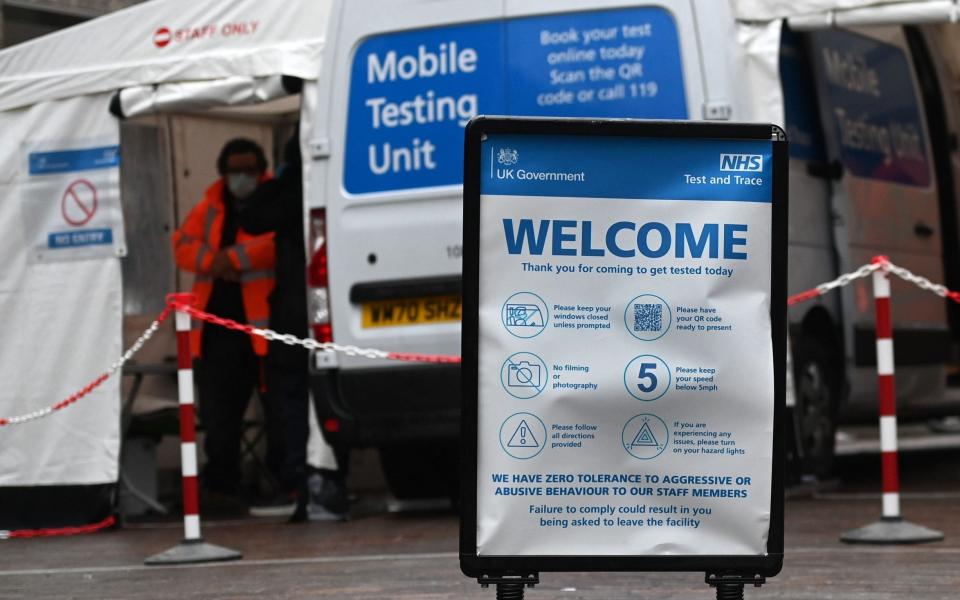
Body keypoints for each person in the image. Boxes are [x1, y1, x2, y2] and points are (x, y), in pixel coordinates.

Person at [237, 131, 349, 521]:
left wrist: (282, 178)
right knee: (329, 395)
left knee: (293, 401)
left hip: (294, 317)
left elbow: (251, 216)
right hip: (327, 311)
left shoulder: (291, 191)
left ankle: (301, 484)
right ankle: (330, 480)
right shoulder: (336, 180)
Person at [171, 138, 284, 506]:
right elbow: (181, 245)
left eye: (249, 170)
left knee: (280, 414)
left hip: (266, 330)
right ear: (223, 172)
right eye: (235, 170)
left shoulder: (275, 198)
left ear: (261, 169)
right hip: (215, 335)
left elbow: (278, 242)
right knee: (219, 417)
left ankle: (285, 482)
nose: (242, 178)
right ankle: (222, 486)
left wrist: (234, 259)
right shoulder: (210, 205)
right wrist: (213, 261)